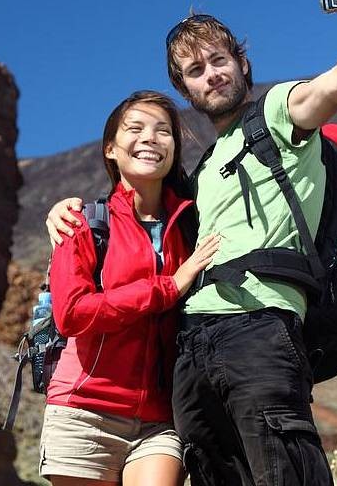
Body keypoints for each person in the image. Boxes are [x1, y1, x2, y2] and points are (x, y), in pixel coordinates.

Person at [47, 0, 337, 485]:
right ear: (184, 89)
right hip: (190, 353)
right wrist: (59, 210)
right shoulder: (201, 173)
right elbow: (134, 217)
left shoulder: (279, 115)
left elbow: (331, 87)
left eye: (219, 60)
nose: (210, 74)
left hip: (260, 329)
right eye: (194, 70)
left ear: (241, 63)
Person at [39, 90, 220, 485]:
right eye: (135, 129)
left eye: (163, 131)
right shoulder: (82, 222)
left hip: (161, 417)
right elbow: (72, 315)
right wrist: (168, 287)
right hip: (85, 409)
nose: (150, 138)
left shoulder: (194, 223)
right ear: (110, 149)